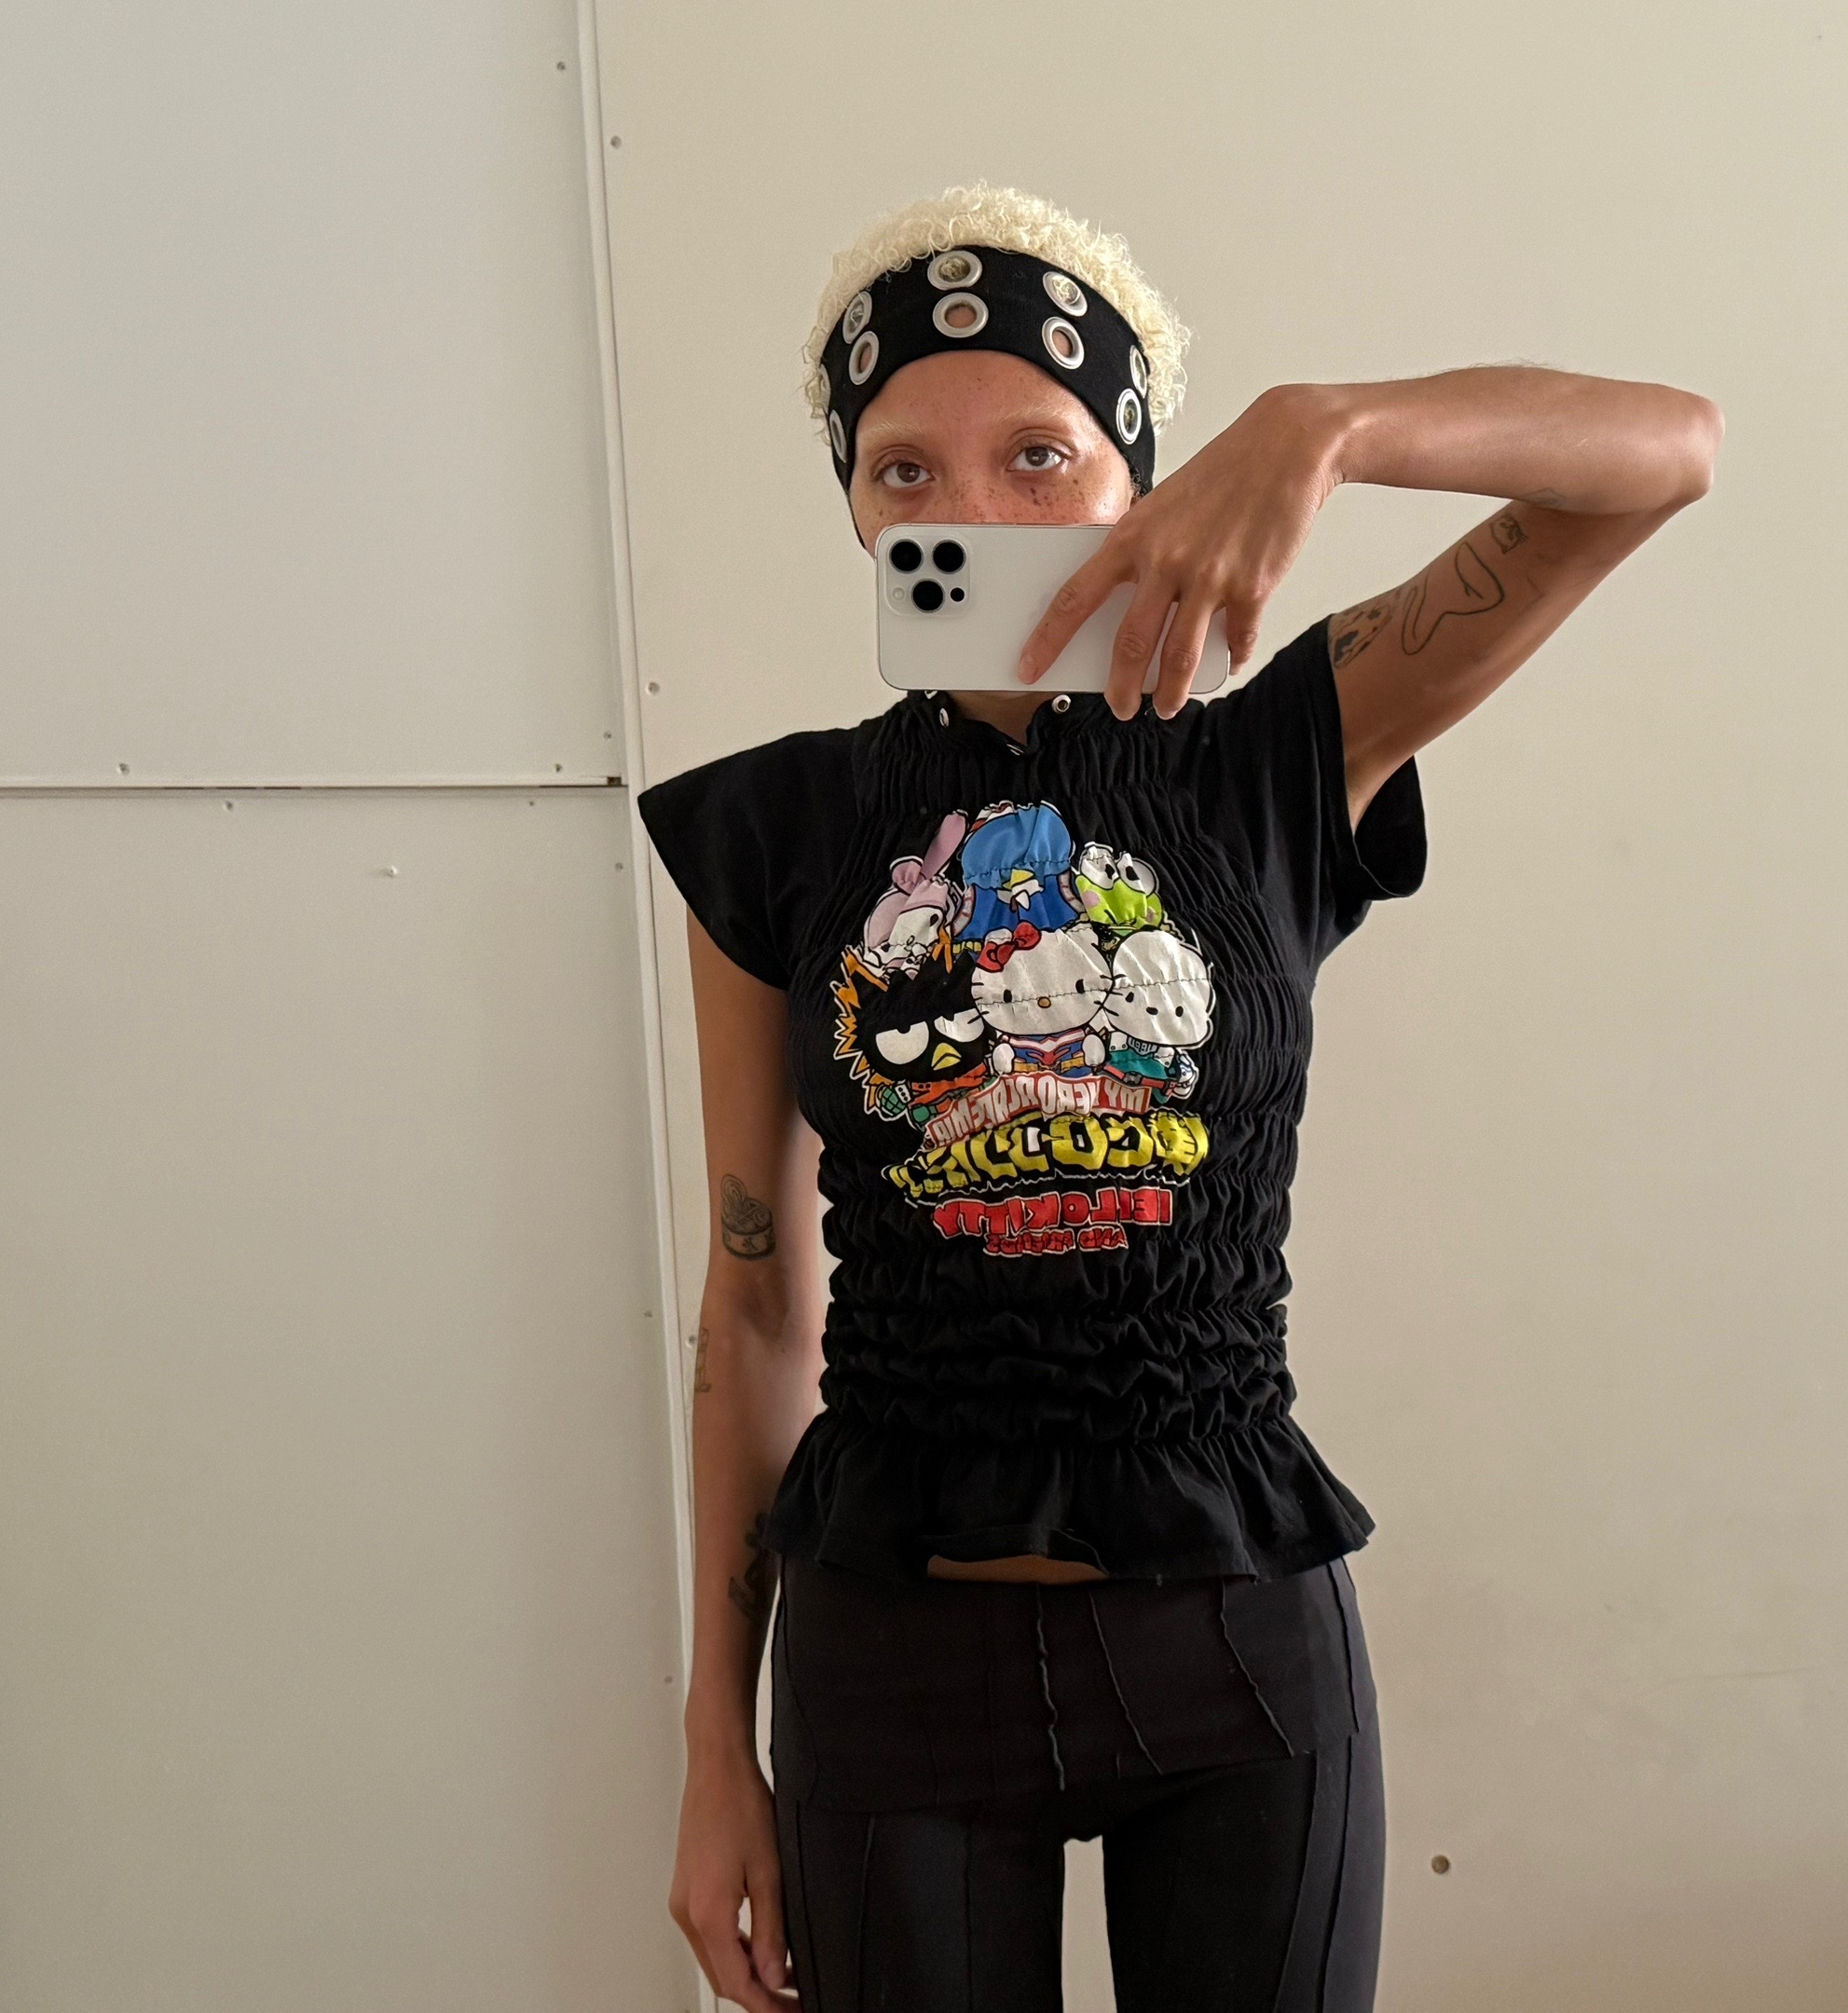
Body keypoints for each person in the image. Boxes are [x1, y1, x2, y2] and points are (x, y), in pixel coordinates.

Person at [643, 184, 1720, 2012]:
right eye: (905, 470)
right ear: (855, 509)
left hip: (1233, 1642)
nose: (973, 512)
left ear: (1144, 482)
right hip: (889, 1658)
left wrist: (1328, 426)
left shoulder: (1280, 759)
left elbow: (1665, 453)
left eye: (1039, 456)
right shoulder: (773, 826)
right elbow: (754, 1300)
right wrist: (707, 1751)